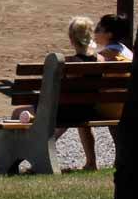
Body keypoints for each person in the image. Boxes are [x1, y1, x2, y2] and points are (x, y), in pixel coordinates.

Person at [11, 16, 105, 170]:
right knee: (81, 119)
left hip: (63, 112)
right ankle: (91, 162)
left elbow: (50, 89)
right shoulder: (101, 60)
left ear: (71, 39)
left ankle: (14, 161)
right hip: (88, 111)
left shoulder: (67, 62)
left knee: (17, 113)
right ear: (90, 36)